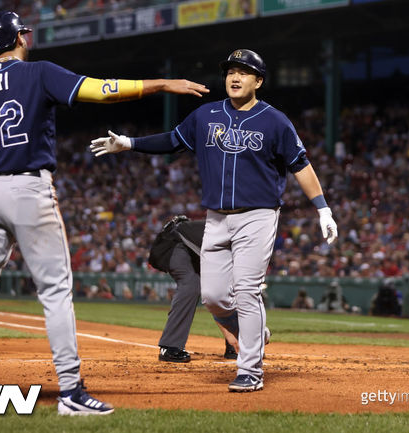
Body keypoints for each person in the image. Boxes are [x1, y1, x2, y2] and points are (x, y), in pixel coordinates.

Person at [0, 11, 208, 416]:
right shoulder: (38, 72)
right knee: (54, 291)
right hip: (27, 189)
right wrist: (160, 83)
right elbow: (102, 91)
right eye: (24, 32)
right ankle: (71, 391)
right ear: (18, 37)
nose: (28, 37)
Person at [90, 49, 338, 392]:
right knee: (214, 297)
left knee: (247, 292)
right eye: (230, 71)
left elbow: (301, 165)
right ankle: (255, 332)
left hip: (258, 215)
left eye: (244, 72)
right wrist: (129, 143)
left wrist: (322, 208)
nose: (235, 78)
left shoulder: (275, 120)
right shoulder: (206, 115)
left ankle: (250, 369)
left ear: (259, 81)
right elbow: (172, 141)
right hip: (216, 218)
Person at [148, 215, 239, 362]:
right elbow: (213, 297)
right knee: (191, 284)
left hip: (193, 250)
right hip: (174, 243)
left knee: (229, 287)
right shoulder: (231, 238)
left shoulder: (237, 241)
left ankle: (234, 344)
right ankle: (169, 347)